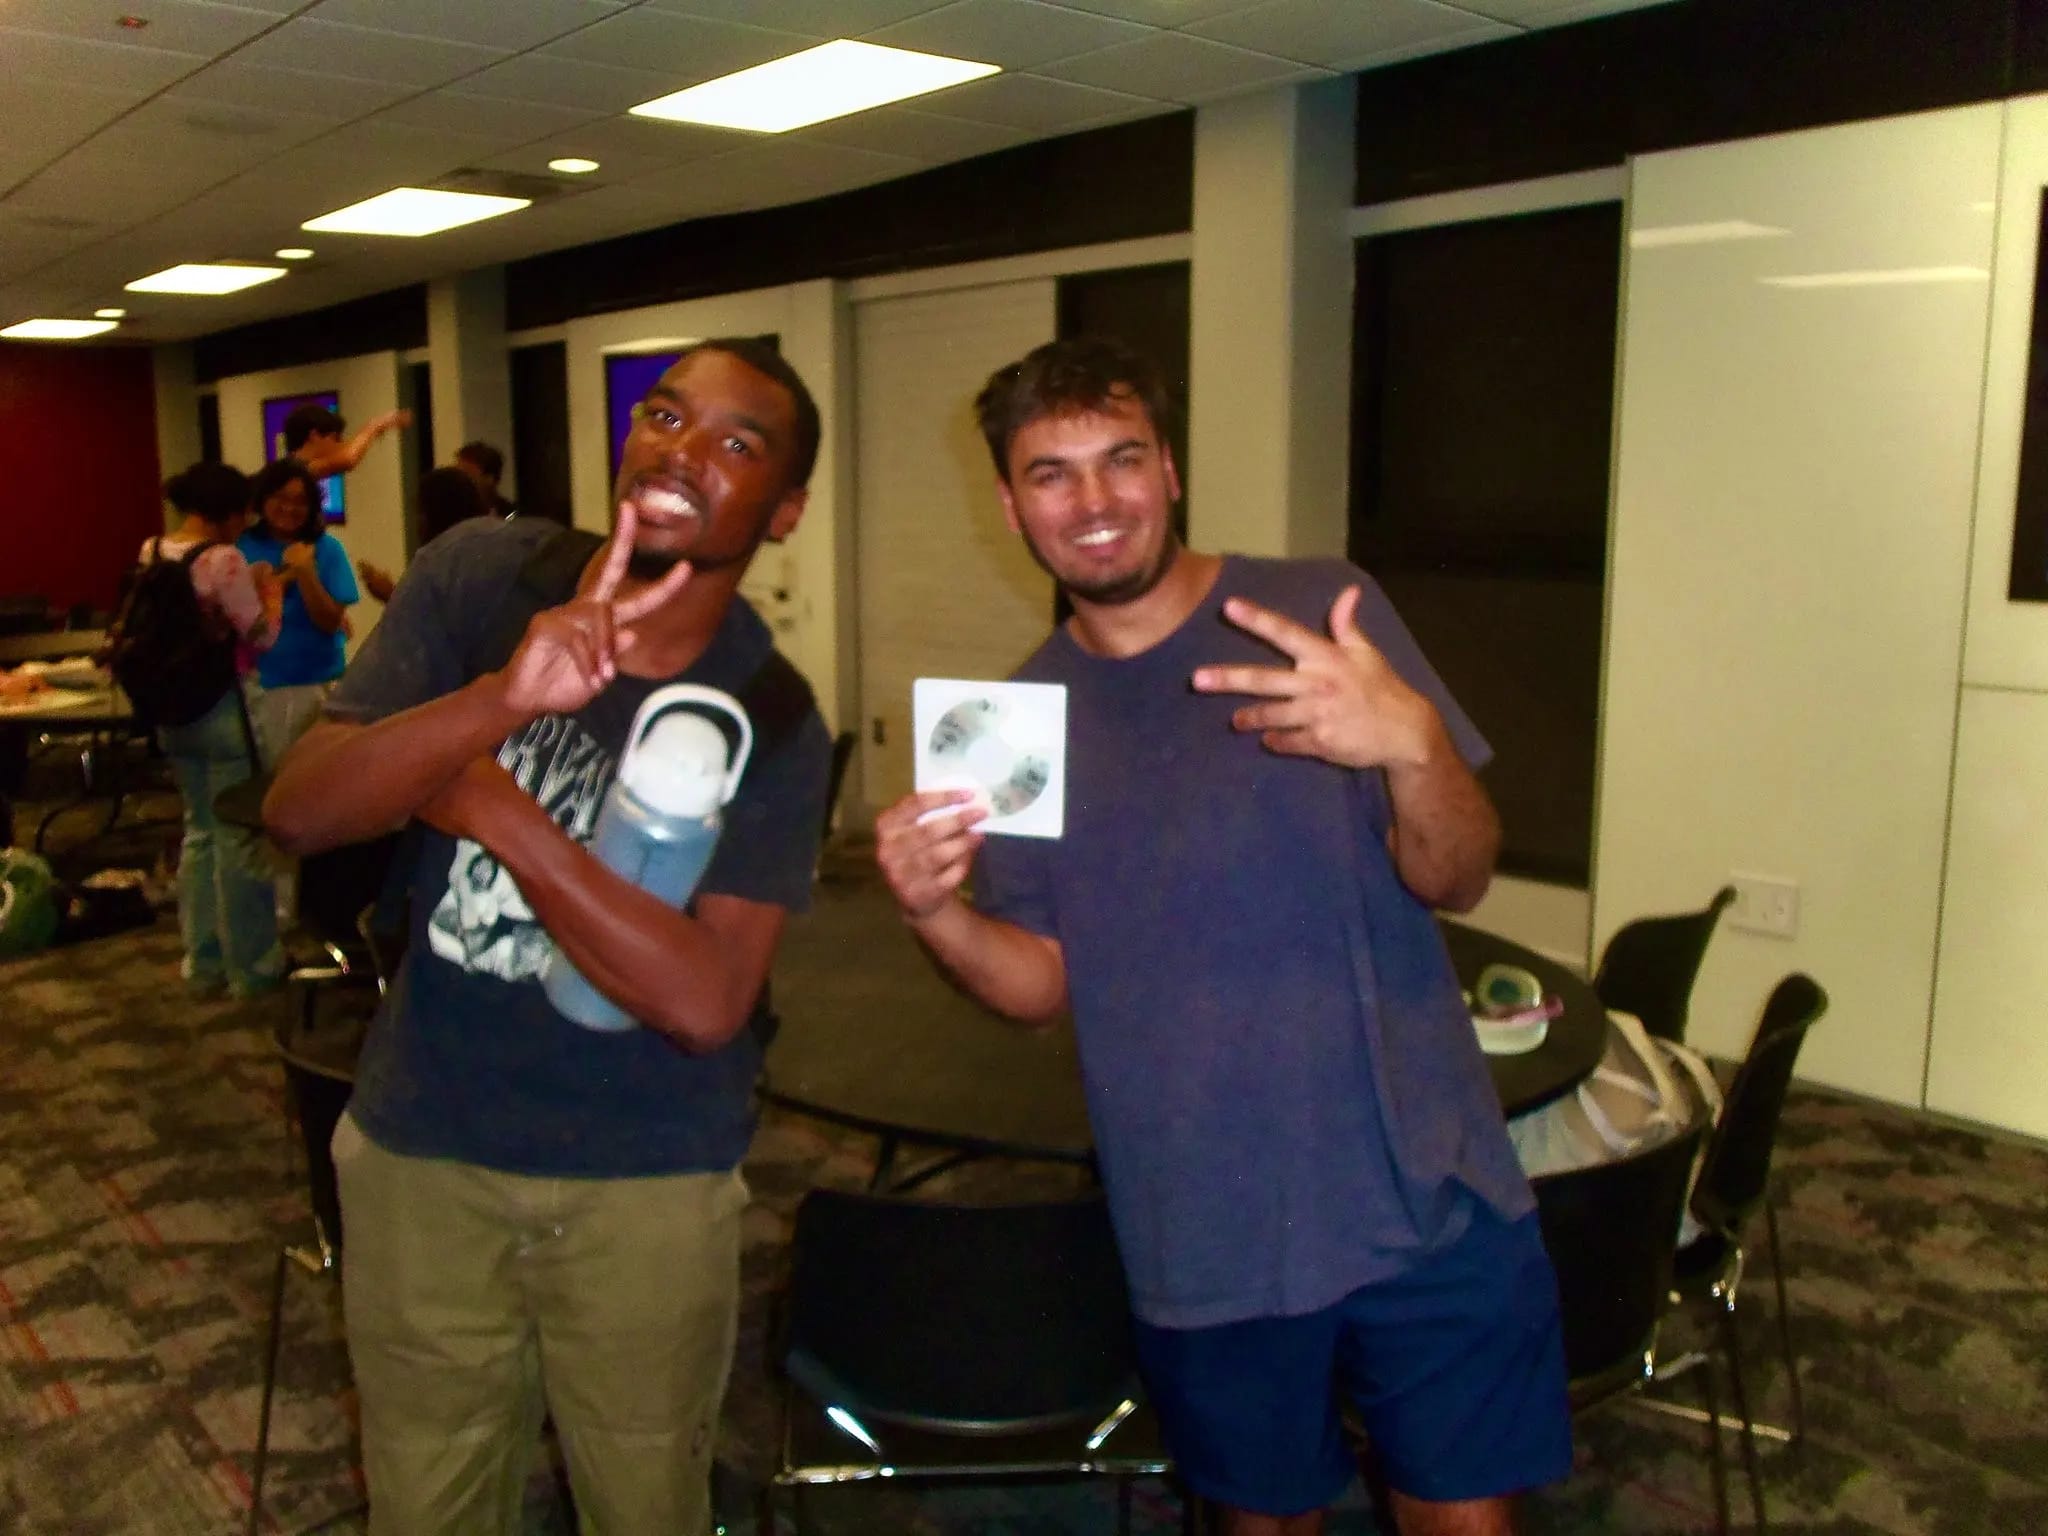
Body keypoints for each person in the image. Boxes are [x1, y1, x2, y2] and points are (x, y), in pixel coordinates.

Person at [874, 337, 1571, 1536]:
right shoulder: (1012, 728)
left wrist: (1413, 743)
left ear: (1170, 469)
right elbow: (1039, 986)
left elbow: (1454, 878)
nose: (1093, 503)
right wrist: (934, 911)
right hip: (1203, 1229)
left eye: (1121, 459)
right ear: (1008, 503)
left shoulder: (1313, 612)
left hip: (1422, 1189)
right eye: (1051, 473)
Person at [260, 337, 831, 1536]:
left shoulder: (771, 718)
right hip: (425, 1144)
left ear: (783, 512)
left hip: (648, 1185)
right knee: (428, 1498)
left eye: (737, 443)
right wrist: (502, 701)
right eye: (666, 416)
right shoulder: (486, 577)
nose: (682, 449)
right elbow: (300, 808)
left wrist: (491, 805)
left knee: (644, 1502)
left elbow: (707, 999)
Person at [142, 462, 284, 997]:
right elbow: (261, 635)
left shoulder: (153, 549)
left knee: (197, 830)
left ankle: (201, 961)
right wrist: (268, 591)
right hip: (222, 706)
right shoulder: (224, 560)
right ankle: (252, 965)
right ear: (226, 512)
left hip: (172, 709)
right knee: (239, 835)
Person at [238, 457, 359, 762]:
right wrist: (283, 576)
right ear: (263, 499)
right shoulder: (241, 547)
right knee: (279, 776)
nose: (290, 508)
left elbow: (330, 621)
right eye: (280, 498)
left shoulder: (328, 548)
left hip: (323, 678)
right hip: (266, 683)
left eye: (301, 501)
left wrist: (305, 572)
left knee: (326, 773)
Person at [357, 466, 490, 604]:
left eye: (420, 511)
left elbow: (436, 618)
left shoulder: (439, 563)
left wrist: (391, 595)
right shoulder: (488, 553)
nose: (417, 521)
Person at [283, 401, 411, 480]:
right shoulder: (298, 471)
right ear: (314, 435)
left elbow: (347, 451)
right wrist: (375, 425)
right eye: (334, 438)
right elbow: (348, 459)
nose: (338, 445)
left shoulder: (293, 465)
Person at [455, 439, 517, 518]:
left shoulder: (511, 515)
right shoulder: (454, 514)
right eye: (458, 474)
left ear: (489, 478)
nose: (460, 481)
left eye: (467, 475)